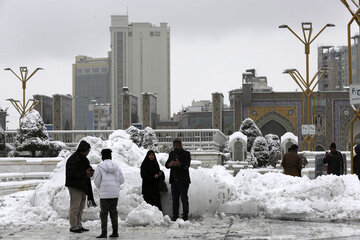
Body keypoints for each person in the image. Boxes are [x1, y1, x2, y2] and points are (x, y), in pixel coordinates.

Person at [65, 140, 96, 233]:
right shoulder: (73, 159)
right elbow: (72, 173)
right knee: (75, 207)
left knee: (80, 208)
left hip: (83, 185)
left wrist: (90, 171)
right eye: (88, 150)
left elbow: (86, 168)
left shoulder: (84, 159)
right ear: (84, 150)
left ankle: (79, 225)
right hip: (75, 186)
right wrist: (85, 173)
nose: (88, 152)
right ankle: (74, 226)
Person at [93, 149, 125, 238]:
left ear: (102, 157)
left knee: (104, 213)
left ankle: (104, 233)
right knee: (113, 212)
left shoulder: (100, 167)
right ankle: (115, 232)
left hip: (104, 194)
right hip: (114, 194)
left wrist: (103, 187)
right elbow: (121, 180)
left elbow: (96, 181)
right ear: (111, 156)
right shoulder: (117, 166)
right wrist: (115, 186)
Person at [165, 139, 191, 221]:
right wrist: (170, 164)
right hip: (174, 180)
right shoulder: (172, 154)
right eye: (174, 145)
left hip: (183, 181)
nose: (175, 147)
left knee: (184, 199)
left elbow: (187, 165)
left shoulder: (186, 154)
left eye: (177, 145)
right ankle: (175, 215)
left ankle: (185, 215)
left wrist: (178, 164)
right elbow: (166, 165)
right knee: (175, 199)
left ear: (180, 145)